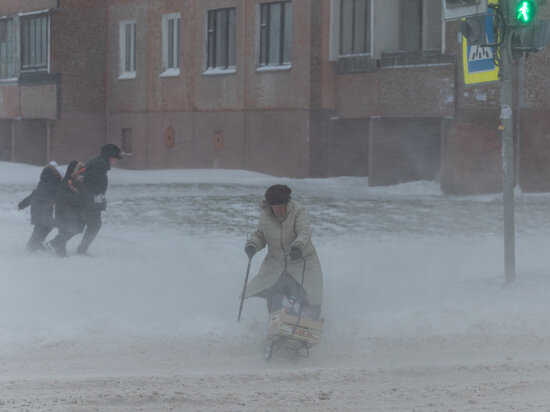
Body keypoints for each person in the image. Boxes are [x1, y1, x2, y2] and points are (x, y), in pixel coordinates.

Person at [243, 184, 323, 321]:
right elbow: (260, 235)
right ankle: (274, 324)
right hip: (276, 263)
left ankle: (309, 324)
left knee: (307, 293)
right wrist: (252, 245)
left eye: (282, 207)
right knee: (273, 289)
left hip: (302, 261)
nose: (279, 210)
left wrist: (298, 246)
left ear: (287, 203)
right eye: (276, 207)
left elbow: (304, 231)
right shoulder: (265, 216)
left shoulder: (298, 211)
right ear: (270, 206)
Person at [75, 143, 122, 255]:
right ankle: (79, 249)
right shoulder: (100, 165)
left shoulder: (98, 162)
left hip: (86, 198)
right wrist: (96, 198)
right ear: (110, 156)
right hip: (89, 200)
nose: (116, 161)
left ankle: (57, 243)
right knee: (94, 225)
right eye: (115, 158)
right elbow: (93, 185)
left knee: (80, 223)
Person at [18, 161, 63, 252]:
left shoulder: (46, 182)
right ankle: (31, 246)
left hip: (42, 207)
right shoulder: (52, 184)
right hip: (40, 208)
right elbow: (37, 194)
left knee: (45, 226)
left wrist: (22, 204)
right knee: (41, 227)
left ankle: (37, 243)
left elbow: (34, 194)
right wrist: (22, 204)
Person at [45, 161, 86, 257]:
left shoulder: (74, 182)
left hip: (69, 211)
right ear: (74, 173)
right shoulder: (67, 182)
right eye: (80, 174)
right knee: (70, 229)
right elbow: (69, 197)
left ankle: (59, 251)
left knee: (70, 230)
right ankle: (54, 244)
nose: (81, 177)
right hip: (64, 211)